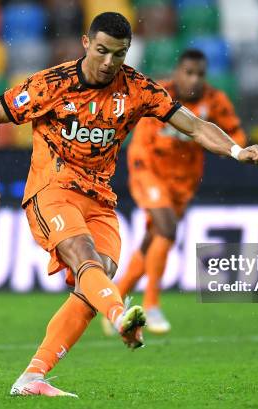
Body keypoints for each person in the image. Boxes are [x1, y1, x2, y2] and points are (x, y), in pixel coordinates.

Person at [0, 12, 258, 398]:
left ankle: (32, 377)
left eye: (120, 54)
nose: (110, 62)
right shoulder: (52, 84)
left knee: (97, 279)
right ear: (85, 43)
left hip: (100, 200)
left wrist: (236, 149)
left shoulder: (138, 89)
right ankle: (121, 316)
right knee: (84, 257)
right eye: (102, 51)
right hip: (52, 188)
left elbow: (194, 126)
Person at [103, 49, 247, 335]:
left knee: (153, 239)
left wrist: (236, 151)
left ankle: (112, 302)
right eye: (189, 73)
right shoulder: (159, 94)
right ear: (177, 72)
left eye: (200, 74)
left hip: (184, 181)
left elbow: (236, 135)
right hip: (149, 170)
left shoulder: (215, 101)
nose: (194, 80)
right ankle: (152, 304)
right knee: (167, 229)